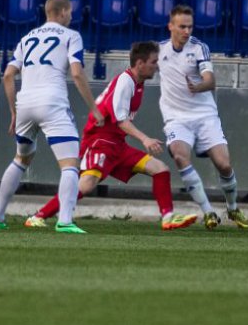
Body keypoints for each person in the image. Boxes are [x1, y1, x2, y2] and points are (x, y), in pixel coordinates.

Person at [24, 41, 198, 231]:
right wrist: (145, 139)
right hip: (100, 141)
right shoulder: (126, 82)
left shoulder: (137, 83)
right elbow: (120, 121)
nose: (157, 66)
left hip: (117, 144)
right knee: (87, 184)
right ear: (140, 63)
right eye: (153, 62)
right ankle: (39, 216)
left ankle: (168, 217)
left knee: (160, 169)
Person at [0, 0, 103, 234]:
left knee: (21, 159)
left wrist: (13, 112)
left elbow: (8, 75)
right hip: (52, 101)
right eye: (70, 12)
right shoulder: (72, 36)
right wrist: (94, 108)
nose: (71, 17)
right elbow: (76, 72)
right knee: (71, 164)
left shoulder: (27, 37)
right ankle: (65, 220)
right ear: (62, 12)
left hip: (25, 104)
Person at [158, 4, 248, 230]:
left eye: (189, 27)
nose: (186, 31)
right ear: (170, 26)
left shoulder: (199, 48)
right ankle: (208, 212)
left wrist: (198, 87)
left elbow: (211, 80)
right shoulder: (158, 50)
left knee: (224, 164)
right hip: (176, 117)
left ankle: (232, 206)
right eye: (182, 27)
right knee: (180, 156)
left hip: (204, 115)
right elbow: (139, 65)